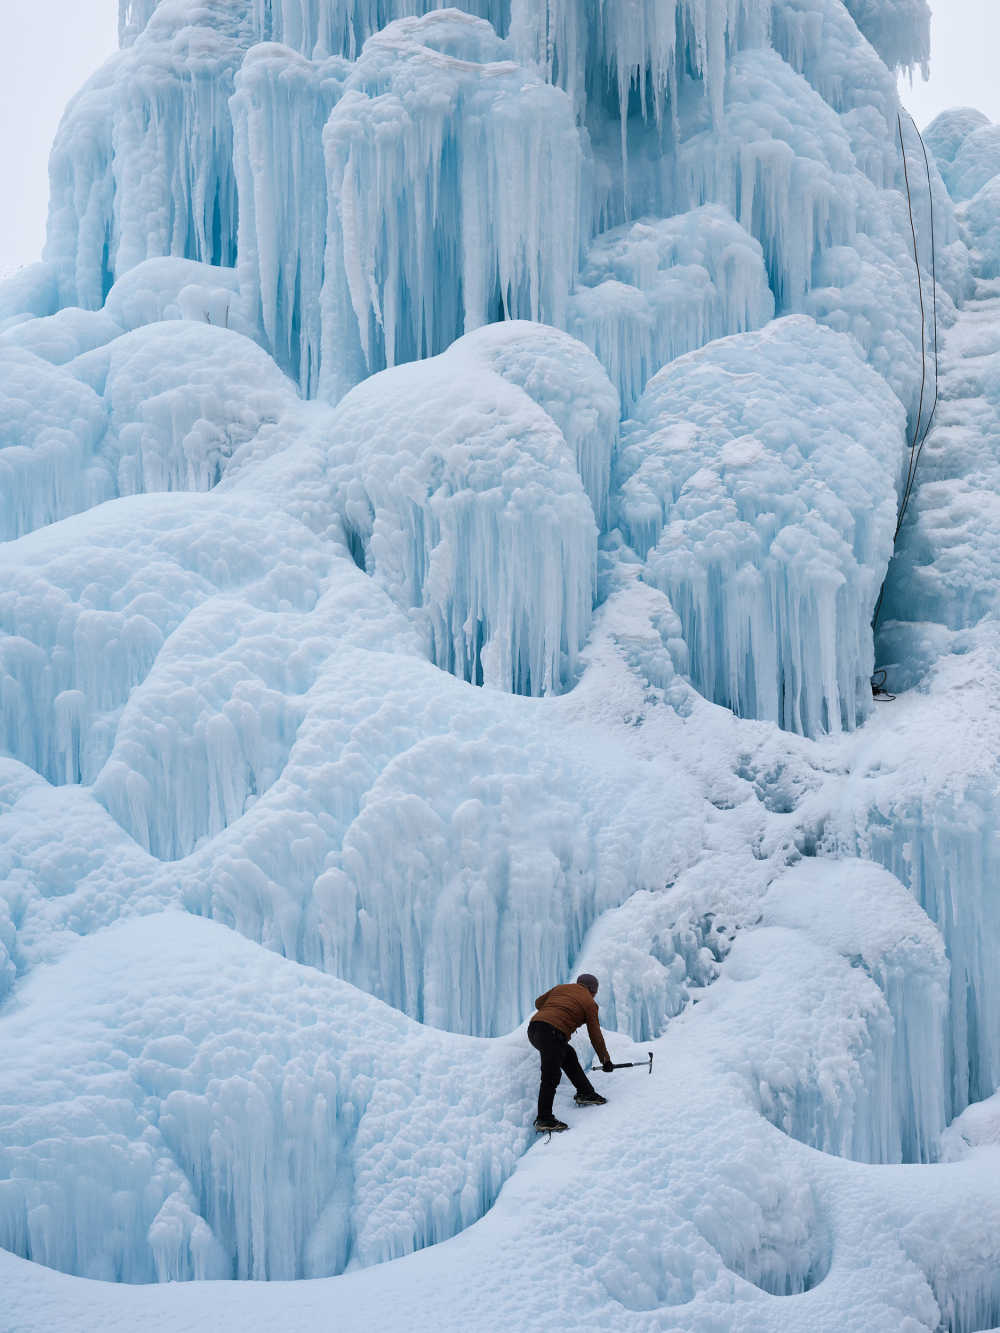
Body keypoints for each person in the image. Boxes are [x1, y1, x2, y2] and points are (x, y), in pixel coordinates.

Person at [528, 972, 614, 1133]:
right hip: (552, 1032)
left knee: (568, 1054)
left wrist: (558, 1004)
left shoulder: (561, 988)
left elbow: (539, 1003)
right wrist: (605, 1060)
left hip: (534, 1029)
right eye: (595, 992)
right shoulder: (589, 1003)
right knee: (551, 1075)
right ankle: (544, 1118)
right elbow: (595, 1035)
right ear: (592, 990)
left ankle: (586, 1092)